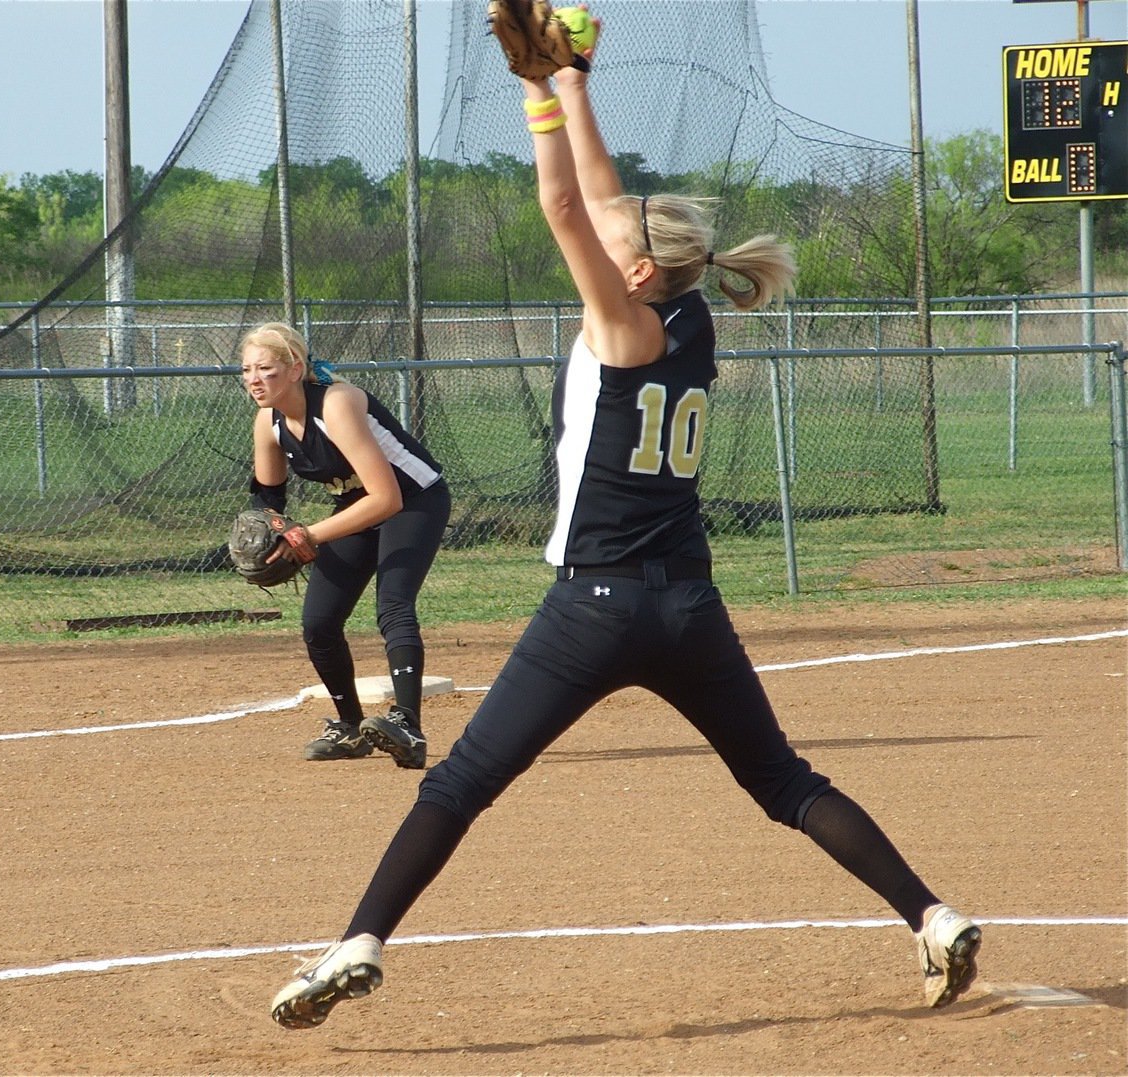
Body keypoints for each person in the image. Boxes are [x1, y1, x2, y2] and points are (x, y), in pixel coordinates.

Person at [270, 14, 980, 1028]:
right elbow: (601, 198)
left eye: (621, 242)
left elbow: (564, 200)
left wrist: (534, 99)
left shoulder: (622, 326)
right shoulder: (687, 315)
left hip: (591, 609)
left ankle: (357, 941)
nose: (608, 235)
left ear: (639, 270)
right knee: (783, 781)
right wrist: (575, 79)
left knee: (459, 785)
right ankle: (933, 914)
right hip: (687, 602)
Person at [239, 321, 450, 769]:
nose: (254, 379)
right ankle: (351, 726)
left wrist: (309, 536)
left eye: (266, 369)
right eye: (247, 370)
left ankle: (408, 726)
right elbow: (268, 500)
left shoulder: (336, 404)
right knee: (318, 623)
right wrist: (269, 534)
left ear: (295, 368)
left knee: (393, 605)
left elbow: (387, 497)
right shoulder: (268, 422)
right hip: (356, 508)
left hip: (414, 501)